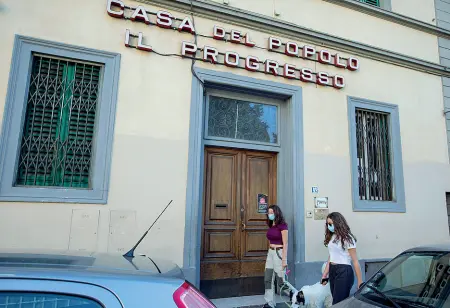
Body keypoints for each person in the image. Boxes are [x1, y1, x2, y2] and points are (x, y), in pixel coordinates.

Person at [321, 212, 363, 305]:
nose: (329, 226)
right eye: (327, 224)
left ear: (338, 223)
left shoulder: (348, 238)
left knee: (338, 303)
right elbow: (331, 256)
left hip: (344, 271)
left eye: (331, 224)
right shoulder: (332, 237)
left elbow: (355, 261)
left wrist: (360, 281)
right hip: (333, 270)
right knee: (336, 301)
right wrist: (324, 275)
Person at [263, 205, 288, 308]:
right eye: (268, 213)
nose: (269, 215)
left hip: (279, 252)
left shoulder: (283, 225)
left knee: (281, 280)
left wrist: (284, 259)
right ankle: (269, 303)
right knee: (268, 279)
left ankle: (295, 298)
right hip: (271, 253)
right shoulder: (271, 225)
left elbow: (285, 243)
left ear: (276, 213)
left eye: (271, 213)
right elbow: (270, 239)